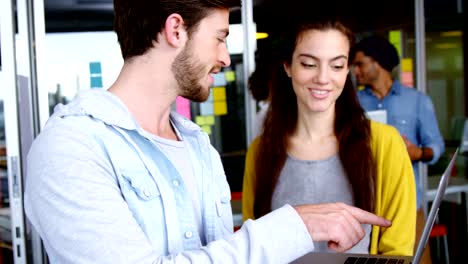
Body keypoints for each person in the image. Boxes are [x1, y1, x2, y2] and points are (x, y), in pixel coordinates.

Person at [24, 1, 392, 263]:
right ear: (176, 30)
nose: (225, 57)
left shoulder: (199, 147)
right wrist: (292, 226)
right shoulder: (70, 149)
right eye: (219, 37)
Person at [242, 19, 416, 256]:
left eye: (336, 66)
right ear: (288, 66)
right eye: (309, 64)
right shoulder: (261, 151)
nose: (323, 78)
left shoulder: (385, 143)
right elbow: (252, 246)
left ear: (347, 71)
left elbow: (398, 249)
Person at [351, 35, 445, 263]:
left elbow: (436, 146)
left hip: (409, 205)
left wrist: (419, 153)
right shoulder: (352, 103)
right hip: (363, 208)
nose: (355, 71)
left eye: (360, 63)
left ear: (378, 63)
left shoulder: (416, 101)